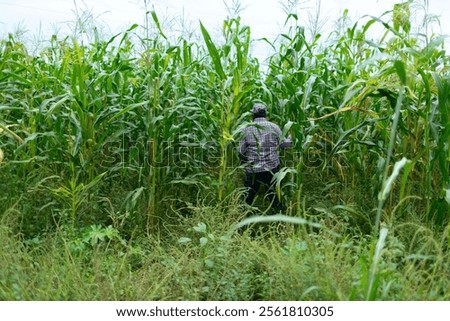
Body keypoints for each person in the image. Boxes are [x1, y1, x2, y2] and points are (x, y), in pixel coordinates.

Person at [238, 102, 292, 213]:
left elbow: (241, 151)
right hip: (271, 169)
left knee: (247, 197)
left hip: (253, 169)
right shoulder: (274, 127)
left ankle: (242, 221)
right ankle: (279, 220)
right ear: (266, 114)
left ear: (253, 115)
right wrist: (291, 136)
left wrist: (244, 163)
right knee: (274, 197)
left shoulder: (247, 129)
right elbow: (284, 145)